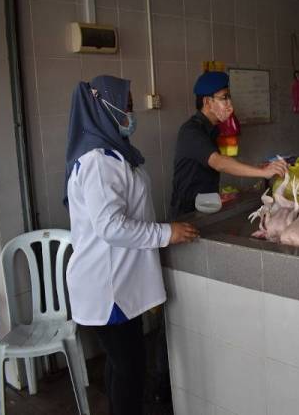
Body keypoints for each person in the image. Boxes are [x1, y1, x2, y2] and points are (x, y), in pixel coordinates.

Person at [64, 75, 198, 415]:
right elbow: (111, 227)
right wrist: (166, 233)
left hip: (117, 281)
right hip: (107, 287)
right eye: (126, 106)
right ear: (104, 110)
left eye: (131, 106)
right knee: (130, 369)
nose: (131, 113)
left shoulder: (114, 155)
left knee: (120, 366)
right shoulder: (98, 162)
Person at [170, 71, 288, 216]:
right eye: (224, 98)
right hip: (186, 213)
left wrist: (256, 168)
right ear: (207, 102)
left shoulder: (212, 129)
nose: (230, 104)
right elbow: (218, 162)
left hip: (205, 206)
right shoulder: (191, 131)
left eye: (229, 97)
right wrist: (262, 172)